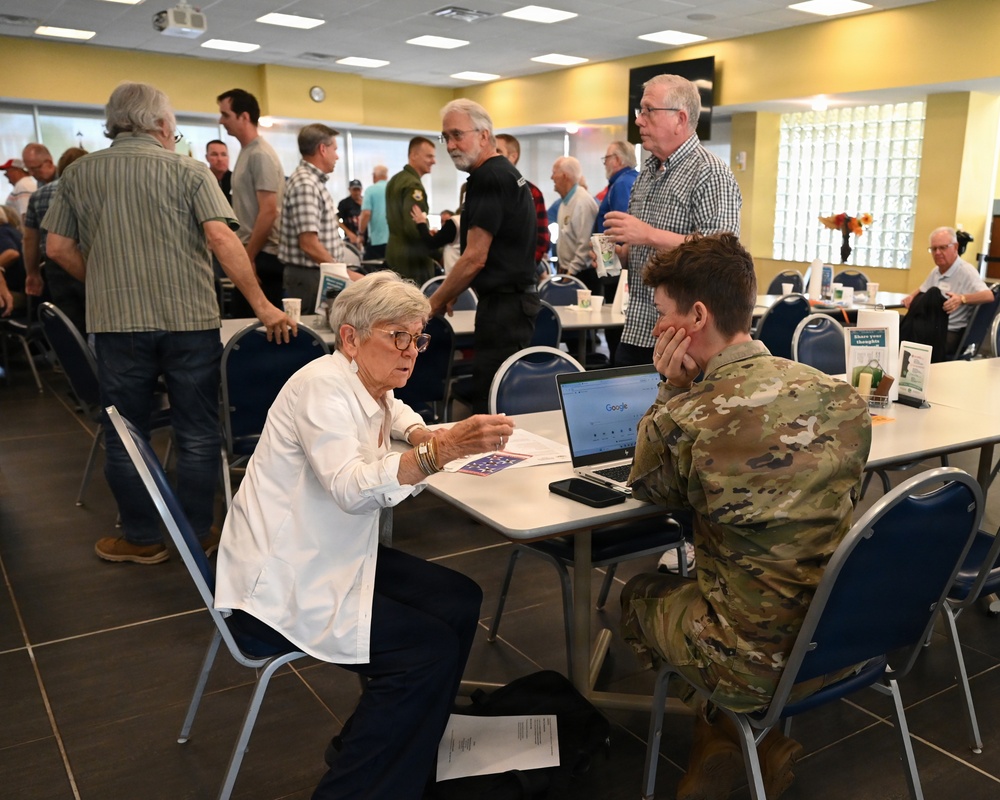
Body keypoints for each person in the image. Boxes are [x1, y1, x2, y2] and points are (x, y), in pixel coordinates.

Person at [214, 270, 514, 800]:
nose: (411, 352)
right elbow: (351, 489)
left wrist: (419, 431)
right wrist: (438, 452)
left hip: (327, 552)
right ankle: (358, 785)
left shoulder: (361, 381)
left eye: (417, 338)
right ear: (351, 338)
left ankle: (406, 744)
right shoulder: (320, 389)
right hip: (282, 577)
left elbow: (393, 409)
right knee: (426, 651)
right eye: (398, 336)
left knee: (459, 598)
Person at [619, 234, 871, 800]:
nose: (656, 328)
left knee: (638, 595)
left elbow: (649, 489)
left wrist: (670, 391)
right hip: (838, 634)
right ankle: (755, 740)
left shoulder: (690, 416)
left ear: (697, 316)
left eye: (661, 314)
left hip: (749, 662)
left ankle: (720, 736)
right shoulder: (839, 397)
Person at [42, 81, 294, 566]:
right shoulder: (191, 171)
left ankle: (141, 538)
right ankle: (198, 534)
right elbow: (222, 239)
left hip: (116, 324)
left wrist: (104, 280)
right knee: (197, 429)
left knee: (126, 433)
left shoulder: (78, 174)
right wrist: (263, 305)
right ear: (160, 124)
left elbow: (57, 249)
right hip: (189, 321)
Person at [603, 74, 742, 367]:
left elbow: (722, 255)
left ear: (680, 119)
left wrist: (648, 234)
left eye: (648, 111)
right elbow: (645, 250)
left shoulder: (710, 173)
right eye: (640, 111)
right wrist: (622, 254)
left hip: (685, 341)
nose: (639, 120)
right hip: (639, 327)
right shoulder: (646, 174)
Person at [429, 99, 539, 414]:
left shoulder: (488, 177)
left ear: (483, 135)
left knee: (491, 404)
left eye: (457, 135)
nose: (450, 145)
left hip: (505, 308)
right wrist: (454, 290)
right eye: (445, 137)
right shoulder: (504, 172)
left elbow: (475, 257)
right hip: (512, 305)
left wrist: (433, 303)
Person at [278, 123, 361, 314]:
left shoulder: (312, 182)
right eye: (335, 149)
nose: (337, 156)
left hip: (317, 273)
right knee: (314, 330)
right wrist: (343, 273)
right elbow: (309, 244)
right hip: (309, 277)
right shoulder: (306, 184)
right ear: (322, 149)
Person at [217, 88, 286, 310]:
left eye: (226, 115)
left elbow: (269, 211)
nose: (221, 121)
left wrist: (248, 257)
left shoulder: (260, 154)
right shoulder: (247, 152)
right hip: (253, 253)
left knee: (257, 325)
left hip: (262, 257)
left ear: (244, 116)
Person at [23, 146, 89, 333]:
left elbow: (29, 239)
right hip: (87, 260)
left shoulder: (38, 195)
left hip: (55, 266)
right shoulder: (92, 191)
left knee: (70, 325)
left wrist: (32, 273)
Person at [901, 226, 993, 355]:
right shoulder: (936, 271)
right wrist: (911, 297)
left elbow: (989, 295)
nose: (937, 252)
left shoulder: (966, 271)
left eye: (943, 248)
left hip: (949, 333)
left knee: (905, 334)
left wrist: (962, 298)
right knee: (897, 324)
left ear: (955, 247)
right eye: (934, 249)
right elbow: (923, 289)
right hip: (931, 327)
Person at [496, 133, 551, 277]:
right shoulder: (484, 190)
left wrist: (526, 266)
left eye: (498, 151)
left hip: (521, 276)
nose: (493, 156)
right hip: (489, 275)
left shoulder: (532, 192)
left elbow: (542, 238)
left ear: (513, 156)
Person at [385, 137, 437, 284]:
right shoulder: (413, 186)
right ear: (414, 155)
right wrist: (436, 249)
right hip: (412, 259)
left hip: (395, 253)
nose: (434, 161)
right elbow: (413, 227)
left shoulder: (395, 180)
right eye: (429, 156)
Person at [551, 156, 600, 293]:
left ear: (565, 176)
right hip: (568, 273)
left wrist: (570, 274)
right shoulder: (565, 202)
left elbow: (584, 246)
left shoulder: (582, 202)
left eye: (554, 173)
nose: (551, 177)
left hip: (581, 276)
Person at [595, 140, 639, 234]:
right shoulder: (637, 178)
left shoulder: (621, 184)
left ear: (618, 160)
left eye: (607, 158)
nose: (605, 163)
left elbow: (621, 226)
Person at [359, 165, 389, 260]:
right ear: (386, 176)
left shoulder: (370, 190)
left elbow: (366, 213)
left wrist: (361, 233)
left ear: (374, 176)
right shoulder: (394, 189)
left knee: (371, 266)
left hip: (377, 240)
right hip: (394, 241)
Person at [338, 178, 364, 249]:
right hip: (351, 238)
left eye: (358, 190)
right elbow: (337, 220)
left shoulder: (366, 202)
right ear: (349, 190)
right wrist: (348, 233)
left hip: (365, 238)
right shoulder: (344, 203)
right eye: (354, 190)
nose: (357, 192)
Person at [204, 139, 232, 204]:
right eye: (214, 154)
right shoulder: (203, 181)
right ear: (207, 157)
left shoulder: (236, 180)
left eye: (223, 154)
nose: (220, 159)